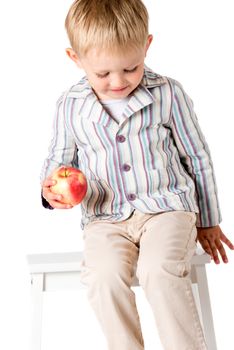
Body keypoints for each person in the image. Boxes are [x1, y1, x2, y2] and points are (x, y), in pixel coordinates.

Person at [41, 0, 234, 349]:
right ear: (75, 58)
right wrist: (50, 190)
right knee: (102, 276)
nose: (119, 82)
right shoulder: (69, 105)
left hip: (167, 209)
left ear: (146, 46)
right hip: (105, 218)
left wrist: (208, 220)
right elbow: (59, 159)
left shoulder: (168, 93)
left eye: (131, 68)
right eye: (103, 74)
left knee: (159, 271)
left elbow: (197, 157)